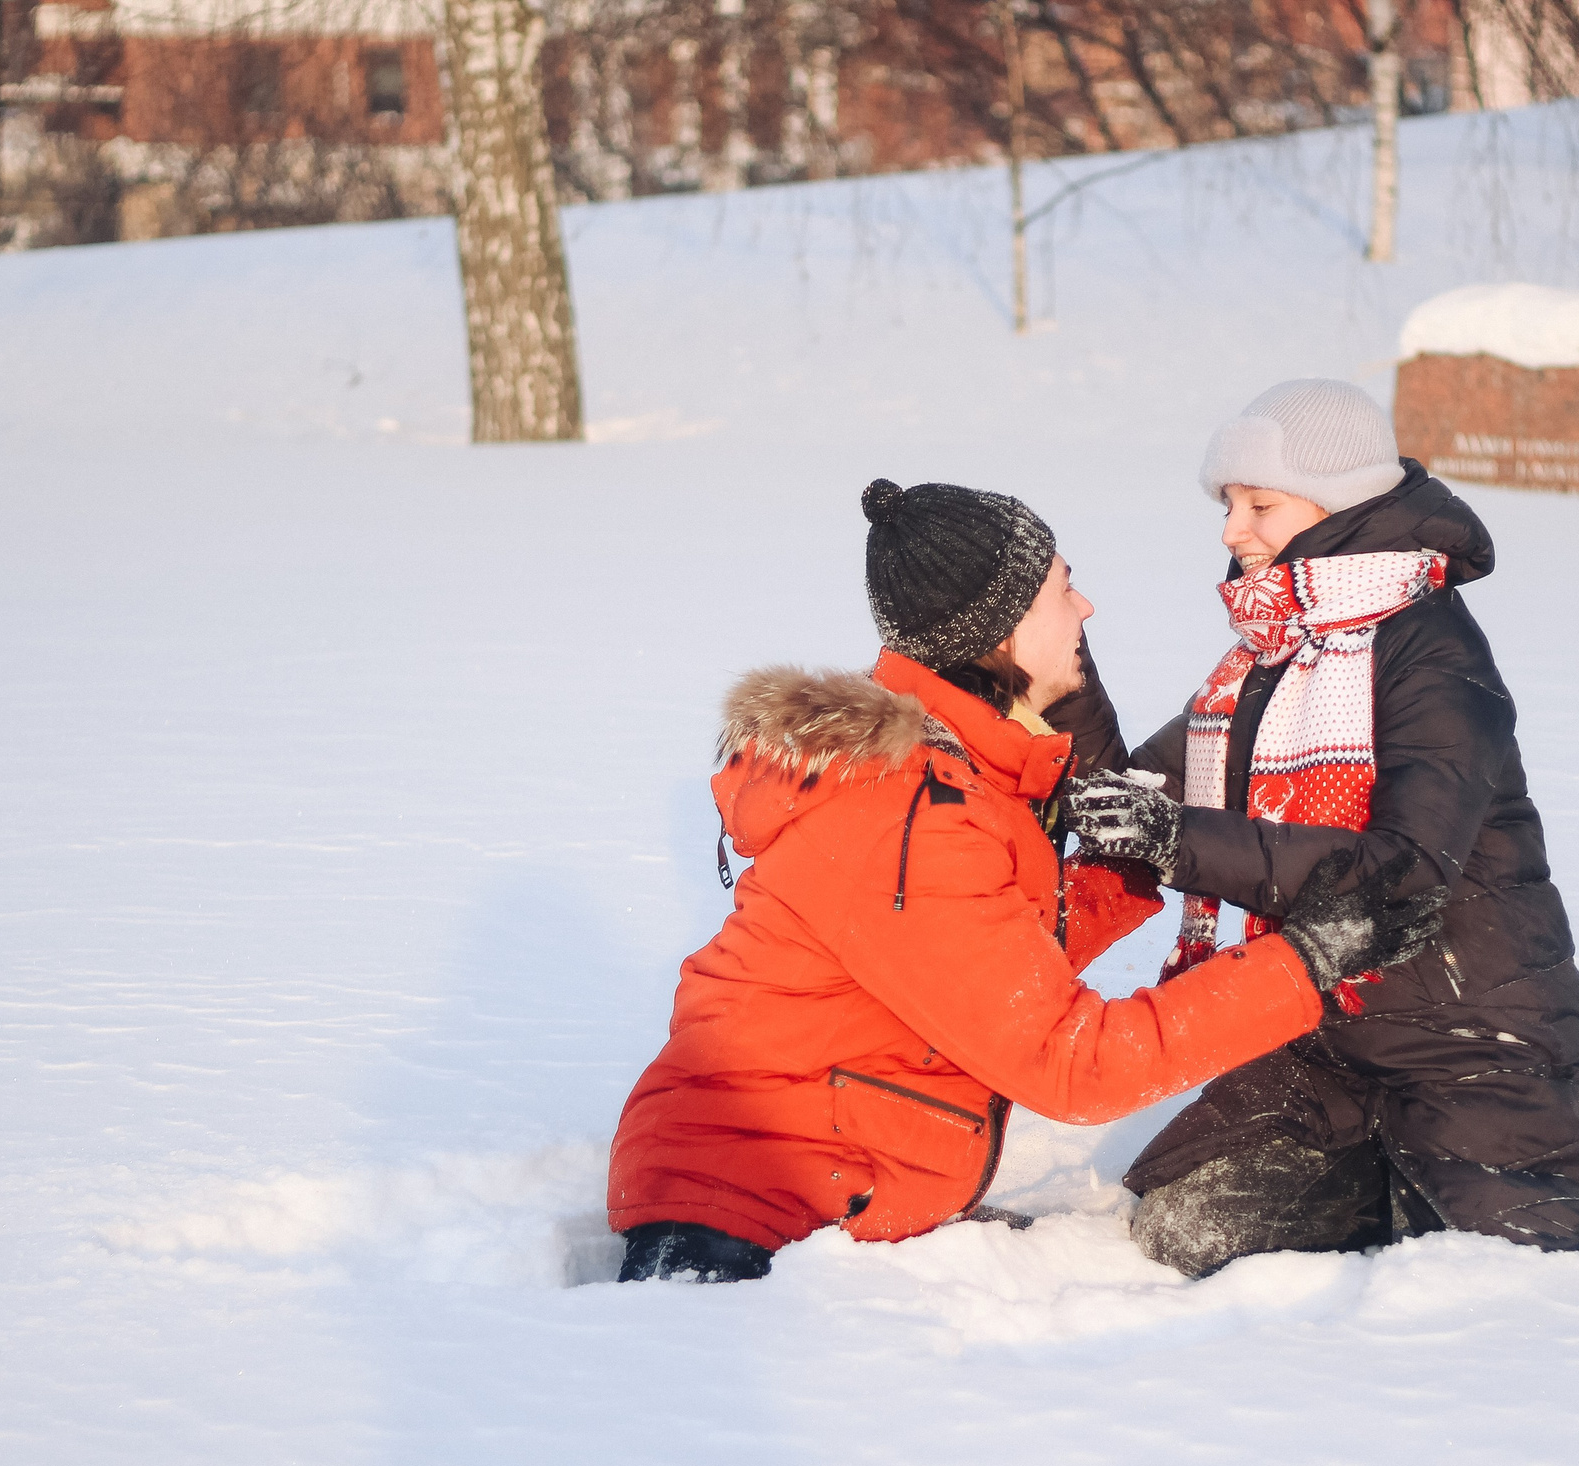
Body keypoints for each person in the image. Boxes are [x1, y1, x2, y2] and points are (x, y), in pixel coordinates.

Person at [606, 476, 1448, 1282]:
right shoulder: (913, 810)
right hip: (735, 1219)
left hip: (809, 1178)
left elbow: (978, 959)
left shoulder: (951, 771)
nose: (1085, 608)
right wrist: (1306, 963)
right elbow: (1071, 1064)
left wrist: (1122, 875)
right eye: (1063, 588)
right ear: (1000, 631)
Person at [1066, 379, 1579, 1276]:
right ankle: (1385, 1182)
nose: (1230, 530)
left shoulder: (1432, 653)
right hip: (1321, 1039)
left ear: (1339, 508)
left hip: (1465, 1044)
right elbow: (1128, 793)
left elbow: (1404, 874)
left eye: (1259, 504)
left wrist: (1179, 839)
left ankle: (1426, 1190)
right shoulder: (1268, 653)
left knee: (1540, 1260)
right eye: (1227, 504)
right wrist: (1061, 668)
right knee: (1176, 1226)